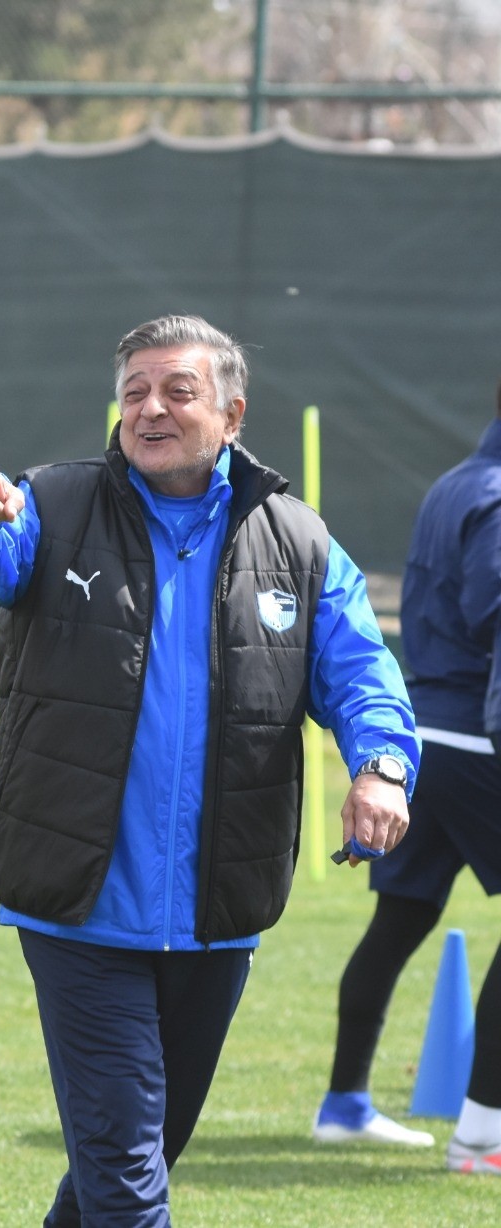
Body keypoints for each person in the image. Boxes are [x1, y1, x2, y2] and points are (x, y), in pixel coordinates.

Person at [0, 314, 418, 1226]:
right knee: (126, 1170)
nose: (149, 409)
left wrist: (382, 768)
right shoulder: (52, 506)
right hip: (78, 906)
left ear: (231, 411)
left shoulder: (297, 543)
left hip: (218, 914)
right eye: (134, 391)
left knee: (132, 1156)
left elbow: (363, 676)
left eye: (176, 392)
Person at [312, 386, 501, 1173]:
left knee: (402, 918)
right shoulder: (493, 497)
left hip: (425, 730)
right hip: (473, 735)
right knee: (400, 920)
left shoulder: (457, 482)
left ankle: (345, 1103)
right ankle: (484, 1135)